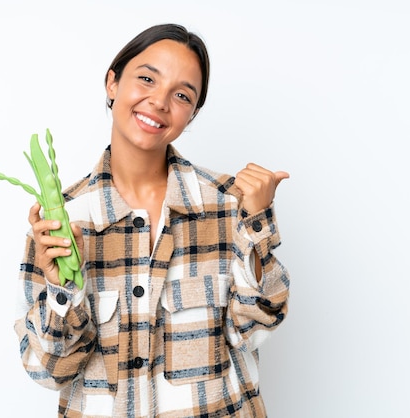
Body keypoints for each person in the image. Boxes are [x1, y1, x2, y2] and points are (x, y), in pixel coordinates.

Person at [14, 23, 290, 417]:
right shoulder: (62, 220)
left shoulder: (229, 203)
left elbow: (253, 331)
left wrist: (257, 226)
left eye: (181, 95)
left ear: (192, 113)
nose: (159, 101)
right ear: (112, 83)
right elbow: (48, 371)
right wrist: (62, 290)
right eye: (146, 78)